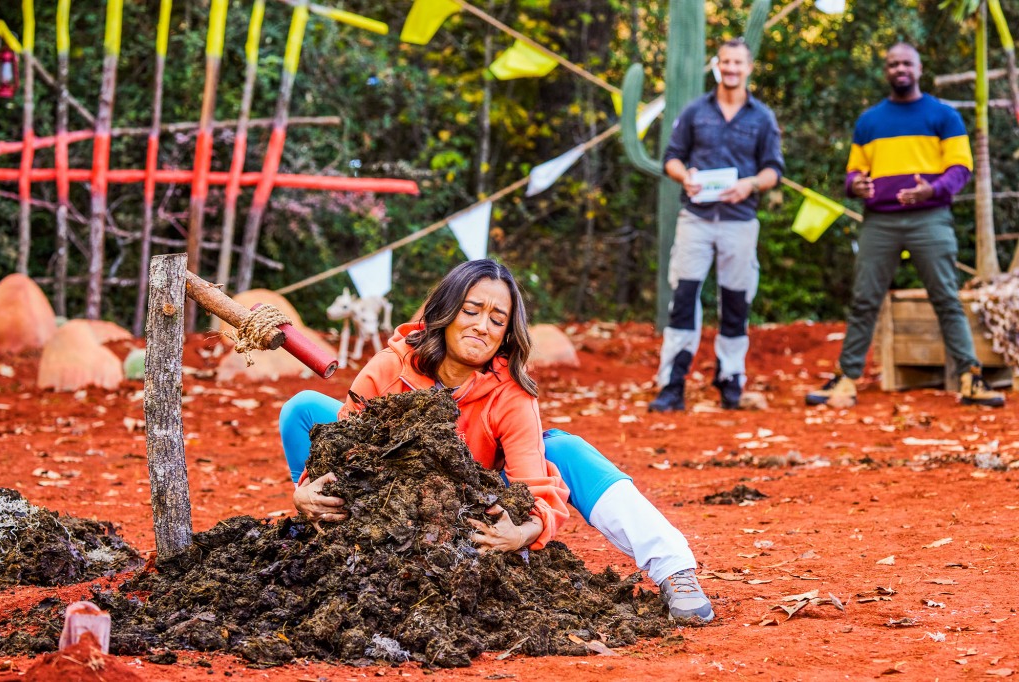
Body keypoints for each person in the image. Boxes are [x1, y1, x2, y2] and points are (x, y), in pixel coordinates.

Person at [279, 259, 715, 624]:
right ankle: (324, 531)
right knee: (304, 409)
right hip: (390, 510)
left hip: (472, 508)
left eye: (497, 319)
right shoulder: (390, 367)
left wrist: (523, 531)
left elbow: (533, 486)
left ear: (506, 334)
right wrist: (306, 488)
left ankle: (674, 569)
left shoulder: (511, 394)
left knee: (564, 449)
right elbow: (342, 442)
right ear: (445, 313)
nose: (482, 326)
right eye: (471, 310)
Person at [806, 42, 1005, 409]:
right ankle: (847, 379)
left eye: (906, 63)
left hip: (929, 218)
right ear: (886, 70)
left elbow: (961, 168)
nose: (900, 68)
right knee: (864, 299)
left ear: (919, 68)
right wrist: (856, 185)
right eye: (893, 63)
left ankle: (969, 377)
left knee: (945, 297)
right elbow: (854, 172)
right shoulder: (870, 121)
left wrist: (933, 189)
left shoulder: (943, 115)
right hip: (880, 221)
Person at [649, 37, 785, 413]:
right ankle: (672, 384)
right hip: (696, 218)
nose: (731, 69)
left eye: (738, 63)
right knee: (684, 300)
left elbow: (774, 169)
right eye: (725, 62)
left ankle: (730, 379)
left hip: (740, 222)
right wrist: (685, 176)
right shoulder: (696, 112)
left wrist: (751, 184)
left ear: (749, 67)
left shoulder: (762, 117)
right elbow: (671, 158)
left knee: (736, 302)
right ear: (717, 65)